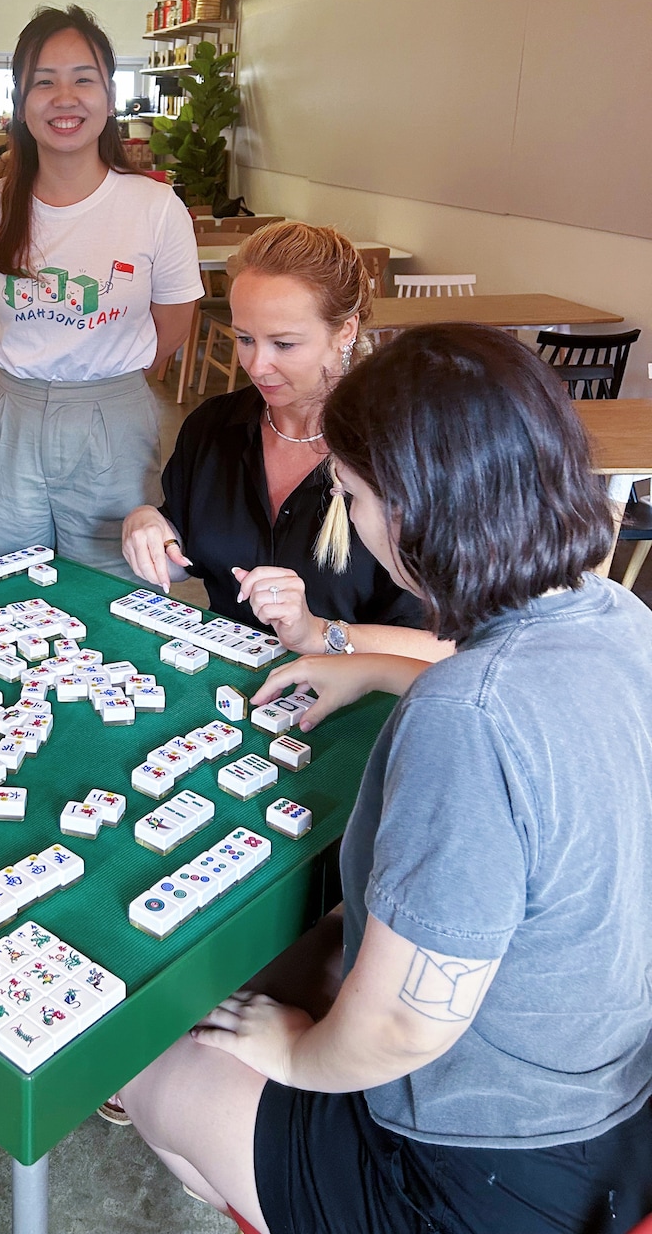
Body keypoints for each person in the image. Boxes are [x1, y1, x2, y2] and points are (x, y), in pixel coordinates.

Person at [118, 324, 652, 1234]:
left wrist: (296, 1052)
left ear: (412, 509)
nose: (353, 520)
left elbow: (406, 1026)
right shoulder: (619, 613)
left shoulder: (466, 718)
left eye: (354, 496)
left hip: (476, 1178)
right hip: (615, 1113)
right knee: (303, 958)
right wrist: (371, 668)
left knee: (140, 1054)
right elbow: (534, 714)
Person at [0, 5, 203, 575]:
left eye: (83, 79)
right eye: (44, 82)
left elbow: (174, 319)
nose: (65, 98)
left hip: (115, 419)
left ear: (109, 97)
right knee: (7, 586)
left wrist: (110, 385)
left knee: (116, 586)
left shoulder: (155, 207)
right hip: (10, 415)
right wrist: (24, 388)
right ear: (20, 102)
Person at [122, 221, 442, 660]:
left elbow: (445, 646)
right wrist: (149, 524)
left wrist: (321, 634)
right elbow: (183, 554)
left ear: (345, 330)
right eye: (245, 339)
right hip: (224, 681)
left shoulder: (403, 452)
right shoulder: (213, 427)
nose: (257, 366)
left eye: (284, 344)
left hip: (356, 694)